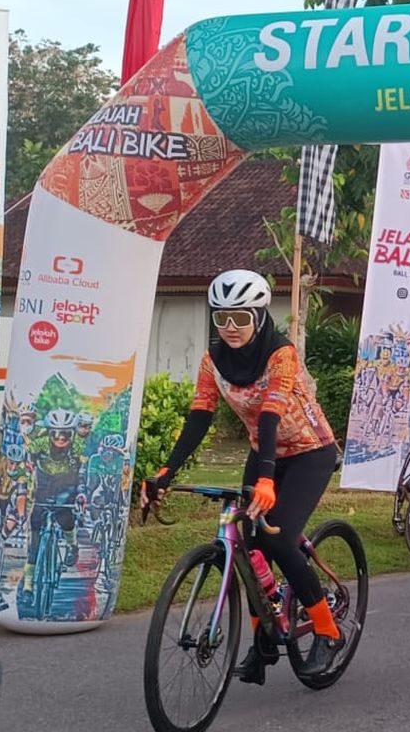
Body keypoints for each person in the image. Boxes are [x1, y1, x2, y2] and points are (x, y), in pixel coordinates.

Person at [144, 269, 342, 683]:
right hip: (263, 453)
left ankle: (327, 629)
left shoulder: (280, 354)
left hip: (309, 453)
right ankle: (263, 642)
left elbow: (270, 415)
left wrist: (267, 480)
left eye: (241, 317)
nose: (231, 328)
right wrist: (165, 471)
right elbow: (199, 418)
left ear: (259, 314)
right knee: (250, 547)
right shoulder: (212, 361)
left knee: (279, 538)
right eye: (222, 318)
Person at [22, 409, 87, 606]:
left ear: (73, 434)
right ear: (49, 433)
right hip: (44, 484)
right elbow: (27, 462)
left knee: (65, 517)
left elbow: (83, 471)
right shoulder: (40, 444)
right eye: (55, 433)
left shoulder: (78, 446)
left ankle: (71, 545)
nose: (60, 438)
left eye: (66, 433)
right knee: (35, 533)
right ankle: (28, 586)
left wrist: (82, 492)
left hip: (67, 485)